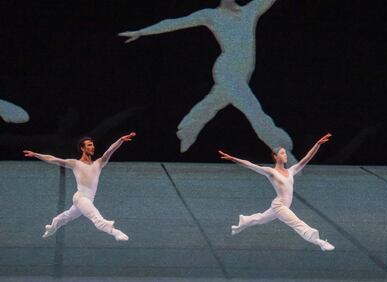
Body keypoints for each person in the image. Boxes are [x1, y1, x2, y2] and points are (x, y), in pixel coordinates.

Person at [119, 0, 295, 164]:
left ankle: (187, 128)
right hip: (227, 70)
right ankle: (280, 148)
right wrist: (142, 32)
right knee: (253, 109)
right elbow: (176, 22)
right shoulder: (212, 15)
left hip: (243, 73)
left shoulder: (251, 10)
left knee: (214, 102)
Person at [219, 133, 335, 251]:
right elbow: (250, 165)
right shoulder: (271, 172)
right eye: (282, 153)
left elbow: (306, 159)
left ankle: (242, 222)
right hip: (279, 206)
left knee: (261, 218)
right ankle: (320, 242)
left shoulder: (291, 171)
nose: (285, 155)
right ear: (275, 156)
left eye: (285, 153)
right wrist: (233, 159)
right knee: (296, 223)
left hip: (280, 206)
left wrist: (317, 145)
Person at [23, 132, 136, 241]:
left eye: (93, 145)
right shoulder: (75, 163)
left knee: (67, 216)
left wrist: (120, 140)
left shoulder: (99, 163)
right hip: (80, 197)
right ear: (82, 148)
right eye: (89, 145)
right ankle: (115, 232)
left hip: (89, 200)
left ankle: (52, 227)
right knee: (96, 218)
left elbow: (109, 151)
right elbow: (53, 159)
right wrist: (36, 155)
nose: (92, 147)